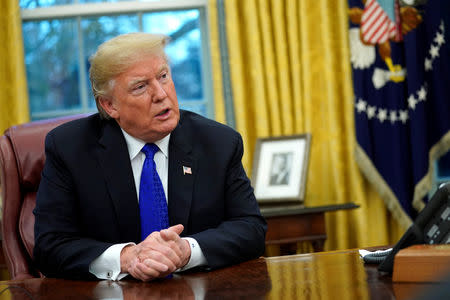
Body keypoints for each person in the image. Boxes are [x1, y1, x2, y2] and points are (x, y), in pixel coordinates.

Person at [33, 32, 267, 281]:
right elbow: (50, 246)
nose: (161, 94)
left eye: (163, 76)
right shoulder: (70, 149)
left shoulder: (218, 143)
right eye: (140, 86)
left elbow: (251, 229)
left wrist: (186, 251)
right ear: (110, 106)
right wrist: (128, 257)